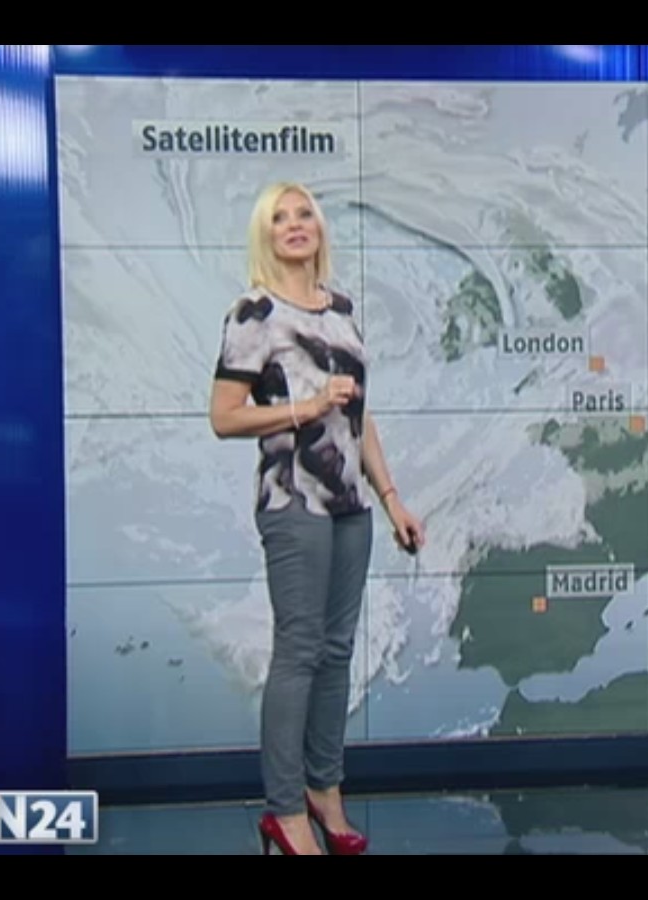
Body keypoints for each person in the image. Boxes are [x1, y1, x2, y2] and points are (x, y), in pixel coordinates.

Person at [209, 181, 425, 856]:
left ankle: (324, 792)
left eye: (304, 213)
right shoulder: (254, 314)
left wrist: (391, 498)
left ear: (320, 229)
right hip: (293, 502)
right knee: (299, 651)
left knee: (336, 652)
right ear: (266, 235)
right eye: (280, 218)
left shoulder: (343, 310)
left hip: (351, 507)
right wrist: (305, 406)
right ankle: (285, 810)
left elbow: (359, 417)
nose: (295, 224)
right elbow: (224, 417)